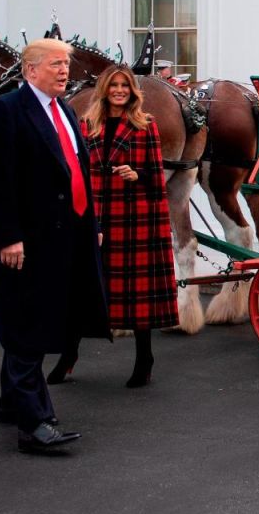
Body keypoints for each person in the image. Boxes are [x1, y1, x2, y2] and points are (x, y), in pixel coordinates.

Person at [0, 37, 110, 454]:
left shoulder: (65, 111)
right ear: (31, 70)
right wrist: (8, 236)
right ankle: (35, 424)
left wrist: (91, 224)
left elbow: (76, 170)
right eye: (55, 65)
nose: (64, 71)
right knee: (27, 327)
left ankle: (10, 405)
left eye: (66, 64)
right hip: (26, 241)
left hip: (64, 238)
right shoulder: (4, 110)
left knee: (30, 318)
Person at [69, 65, 178, 388]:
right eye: (114, 85)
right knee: (83, 290)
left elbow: (158, 179)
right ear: (104, 89)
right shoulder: (87, 125)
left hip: (133, 219)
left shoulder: (145, 126)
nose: (119, 90)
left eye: (125, 86)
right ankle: (68, 354)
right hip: (95, 215)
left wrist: (137, 174)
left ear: (132, 91)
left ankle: (144, 358)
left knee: (137, 294)